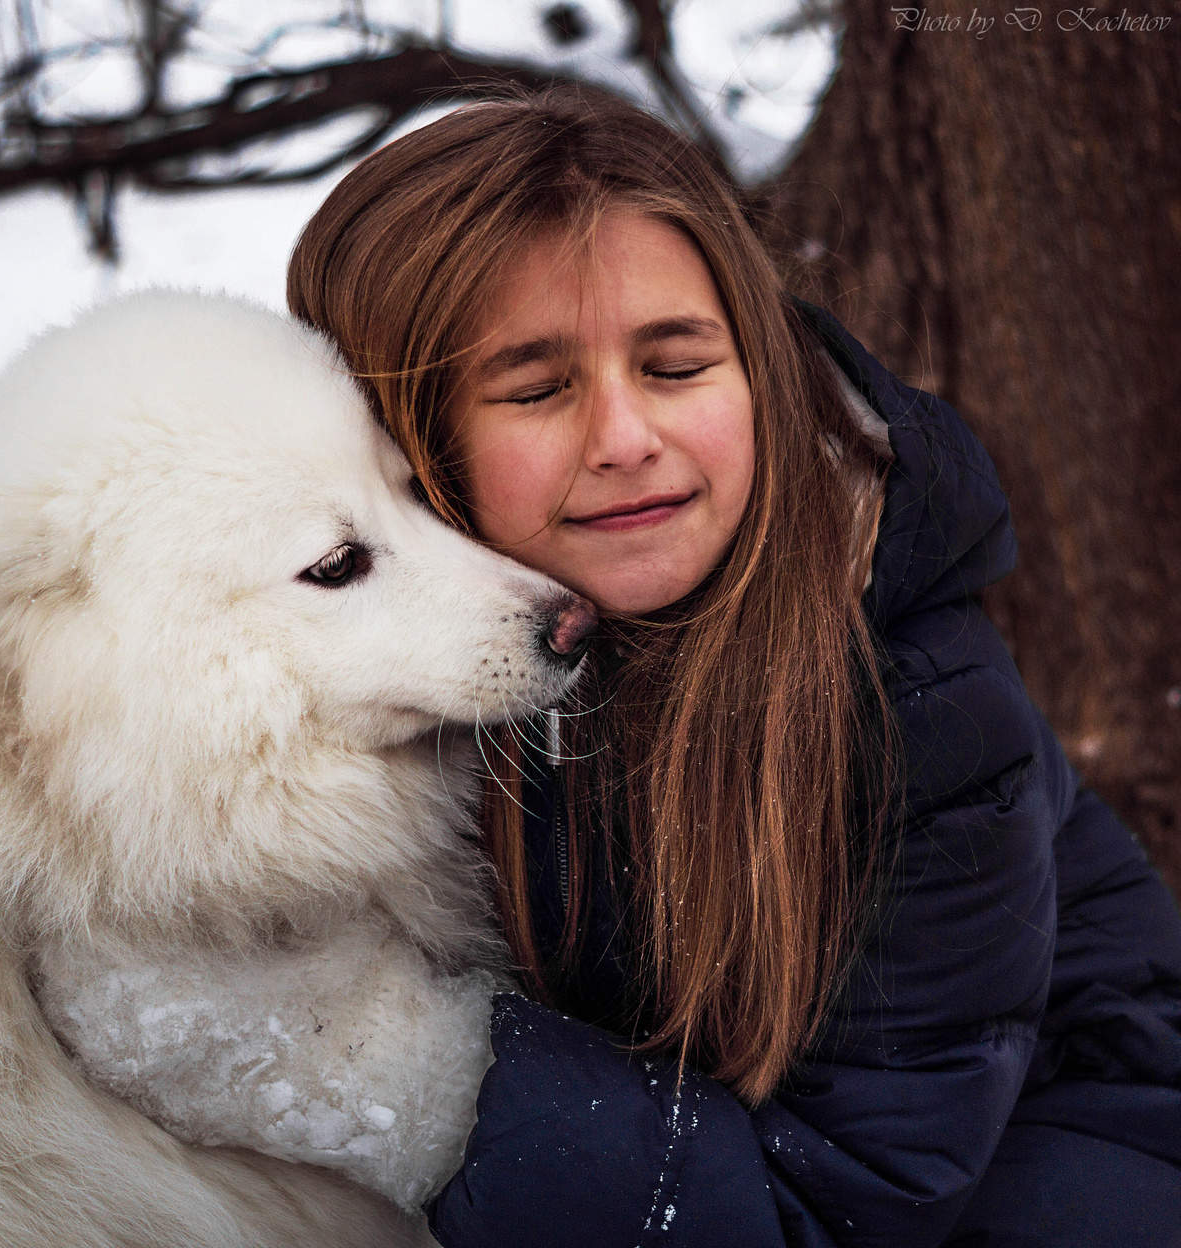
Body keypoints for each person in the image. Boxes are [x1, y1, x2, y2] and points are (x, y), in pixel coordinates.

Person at [286, 87, 1181, 1246]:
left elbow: (842, 1201)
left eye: (674, 365)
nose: (623, 439)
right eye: (538, 388)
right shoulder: (358, 631)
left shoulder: (912, 708)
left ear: (755, 365)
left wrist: (402, 1068)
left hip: (1053, 1131)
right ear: (398, 439)